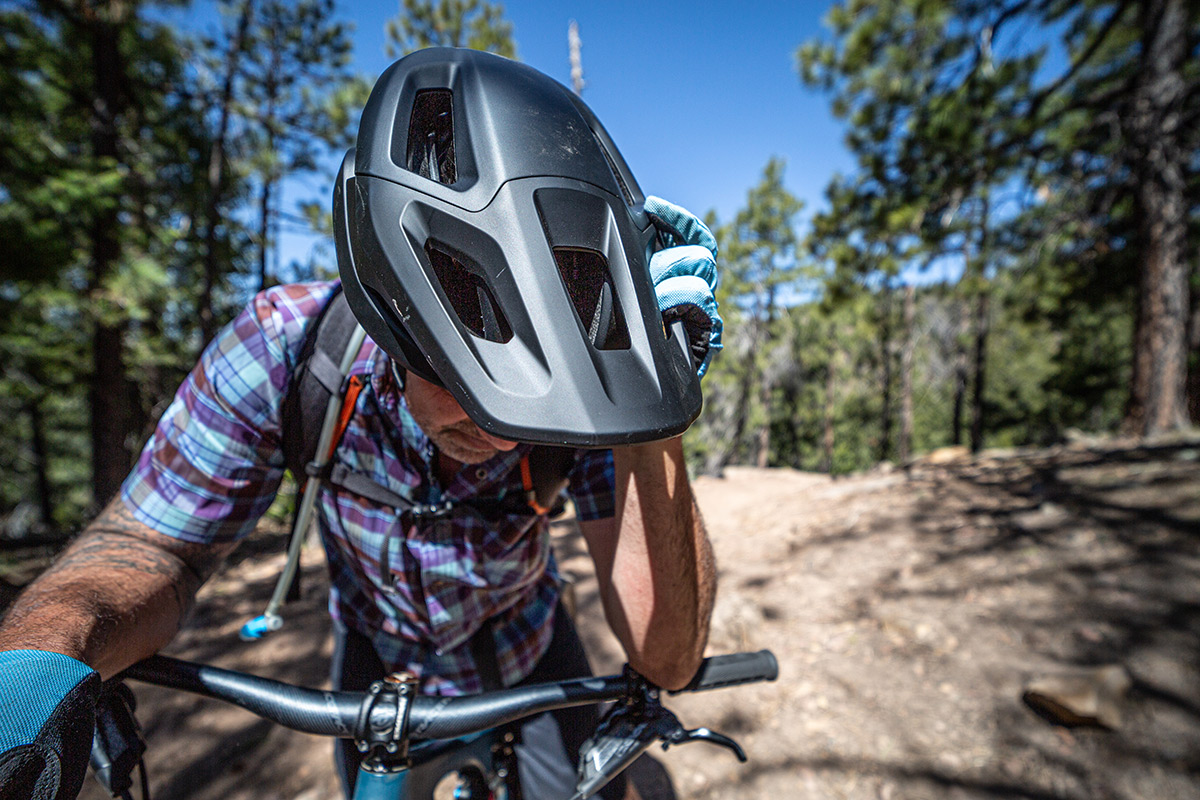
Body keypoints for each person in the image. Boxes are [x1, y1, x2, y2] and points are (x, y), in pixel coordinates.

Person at [0, 48, 722, 800]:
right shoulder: (287, 347)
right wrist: (37, 659)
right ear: (388, 310)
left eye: (533, 410)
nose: (509, 439)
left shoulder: (594, 372)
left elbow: (667, 659)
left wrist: (656, 394)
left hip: (527, 645)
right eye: (459, 378)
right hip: (377, 660)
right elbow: (152, 543)